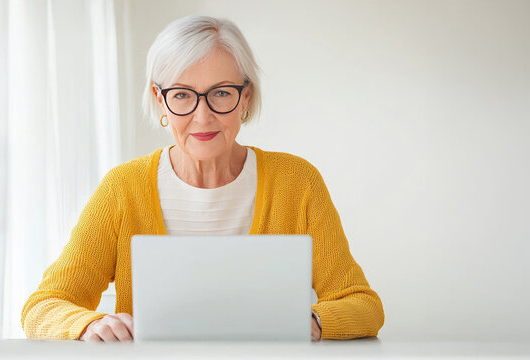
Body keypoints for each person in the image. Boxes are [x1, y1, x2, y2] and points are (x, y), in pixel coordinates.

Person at [21, 15, 384, 342]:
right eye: (182, 95)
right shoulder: (122, 188)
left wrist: (313, 321)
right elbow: (42, 307)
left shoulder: (297, 182)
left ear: (246, 97)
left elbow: (363, 304)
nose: (202, 116)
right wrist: (89, 325)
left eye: (221, 93)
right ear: (160, 100)